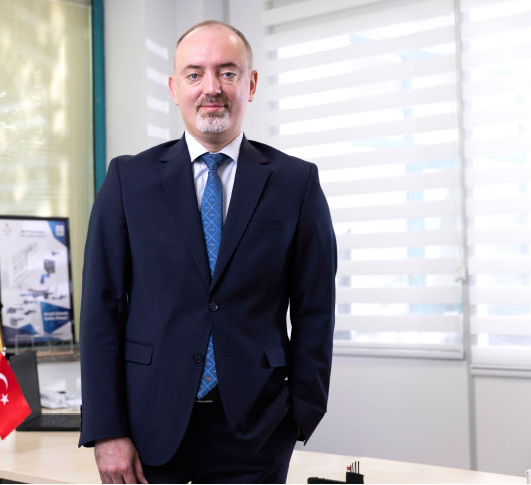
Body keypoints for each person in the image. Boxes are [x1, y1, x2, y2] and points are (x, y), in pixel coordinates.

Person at [79, 20, 337, 483]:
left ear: (251, 84)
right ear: (174, 88)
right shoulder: (127, 181)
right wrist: (106, 430)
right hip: (147, 428)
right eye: (195, 74)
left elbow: (315, 308)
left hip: (257, 431)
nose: (211, 88)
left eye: (227, 72)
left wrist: (302, 412)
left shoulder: (296, 182)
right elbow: (101, 310)